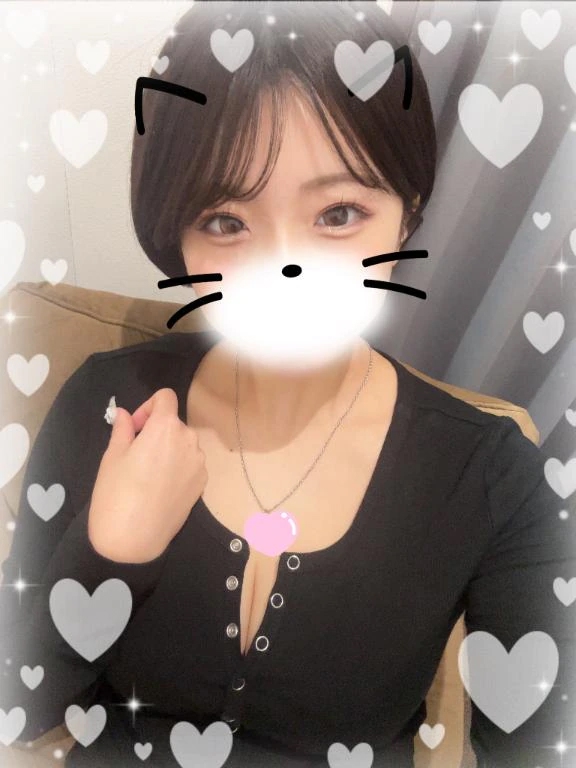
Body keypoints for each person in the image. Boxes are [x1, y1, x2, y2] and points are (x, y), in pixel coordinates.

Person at [1, 2, 573, 767]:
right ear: (176, 237)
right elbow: (19, 708)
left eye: (338, 213)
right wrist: (111, 550)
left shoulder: (492, 476)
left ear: (406, 216)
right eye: (225, 222)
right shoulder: (109, 402)